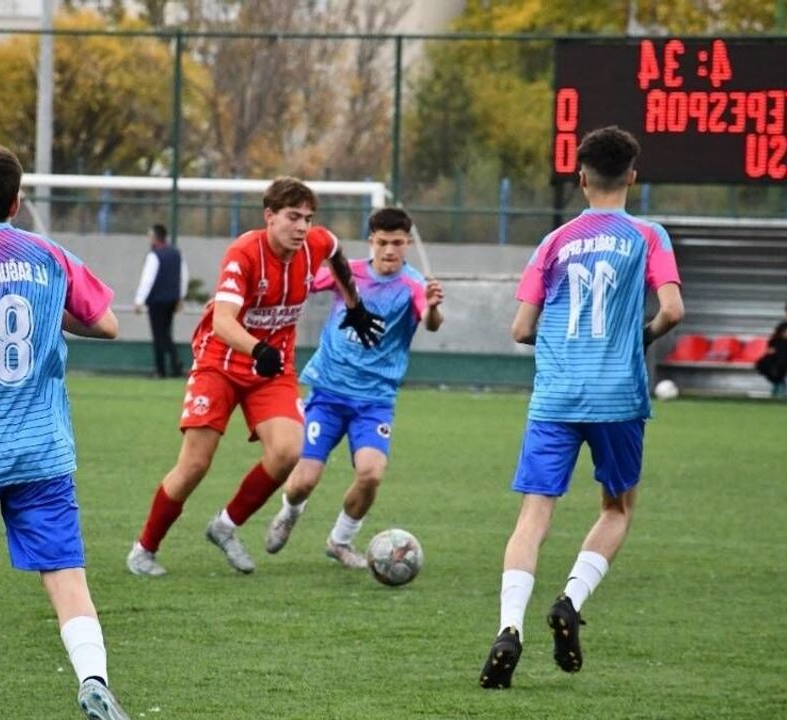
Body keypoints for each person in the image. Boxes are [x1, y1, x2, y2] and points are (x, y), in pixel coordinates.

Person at [0, 143, 130, 720]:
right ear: (17, 201)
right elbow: (107, 324)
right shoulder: (51, 254)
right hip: (42, 450)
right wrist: (50, 303)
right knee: (65, 575)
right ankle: (92, 676)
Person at [479, 126, 683, 689]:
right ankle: (569, 601)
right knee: (617, 508)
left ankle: (509, 629)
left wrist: (557, 344)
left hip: (556, 395)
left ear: (581, 177)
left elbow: (521, 328)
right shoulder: (648, 234)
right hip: (617, 394)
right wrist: (635, 338)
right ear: (633, 177)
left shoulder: (552, 242)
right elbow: (672, 310)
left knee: (534, 514)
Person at [125, 177, 385, 577]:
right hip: (220, 363)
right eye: (292, 217)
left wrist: (354, 304)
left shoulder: (316, 243)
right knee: (195, 464)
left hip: (271, 369)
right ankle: (145, 548)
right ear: (269, 216)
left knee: (288, 450)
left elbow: (336, 254)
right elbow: (225, 321)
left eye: (308, 218)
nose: (302, 227)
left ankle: (225, 526)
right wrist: (259, 349)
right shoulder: (243, 253)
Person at [262, 207, 444, 568]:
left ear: (407, 242)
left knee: (371, 473)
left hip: (375, 399)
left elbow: (431, 322)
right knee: (303, 481)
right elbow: (299, 285)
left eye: (397, 243)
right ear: (370, 242)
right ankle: (289, 513)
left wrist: (435, 307)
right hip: (328, 392)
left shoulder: (414, 285)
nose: (390, 251)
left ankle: (340, 540)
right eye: (382, 243)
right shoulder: (349, 273)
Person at [134, 223, 188, 378]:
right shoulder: (177, 253)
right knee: (166, 334)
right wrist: (180, 297)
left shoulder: (154, 255)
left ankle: (160, 369)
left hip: (157, 301)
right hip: (171, 300)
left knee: (158, 335)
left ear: (154, 237)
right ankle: (176, 366)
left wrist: (139, 300)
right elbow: (183, 276)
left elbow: (148, 279)